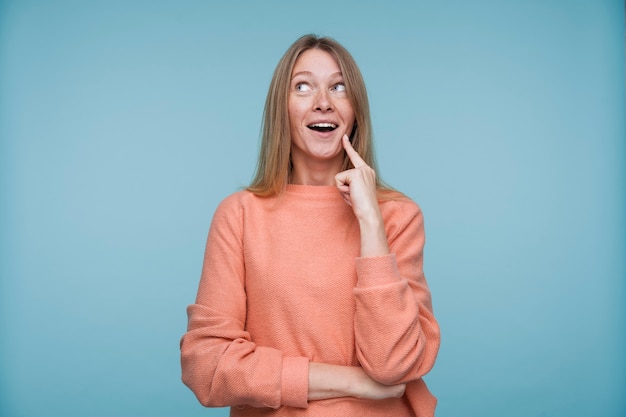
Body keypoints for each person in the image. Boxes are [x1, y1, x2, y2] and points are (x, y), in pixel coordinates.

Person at [180, 34, 440, 416]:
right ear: (281, 108)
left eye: (339, 87)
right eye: (303, 86)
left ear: (356, 111)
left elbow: (393, 365)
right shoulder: (239, 214)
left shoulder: (398, 217)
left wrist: (370, 220)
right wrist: (352, 382)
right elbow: (207, 365)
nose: (323, 102)